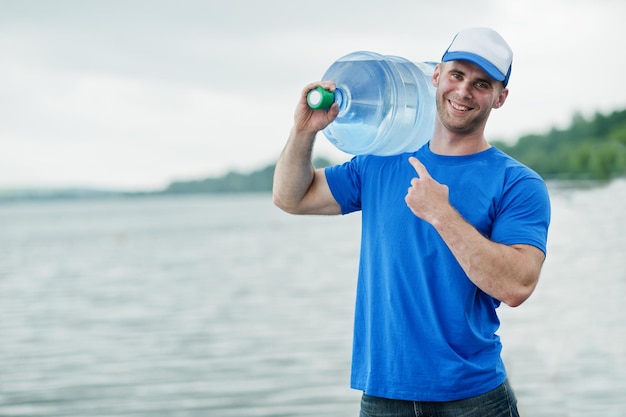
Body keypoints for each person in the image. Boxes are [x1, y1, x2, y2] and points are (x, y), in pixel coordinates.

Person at [273, 27, 551, 417]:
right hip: (383, 393)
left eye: (482, 83)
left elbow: (517, 286)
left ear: (500, 97)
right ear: (436, 75)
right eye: (456, 74)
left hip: (473, 398)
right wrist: (303, 132)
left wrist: (442, 214)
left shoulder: (518, 183)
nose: (464, 91)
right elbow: (291, 197)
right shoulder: (382, 158)